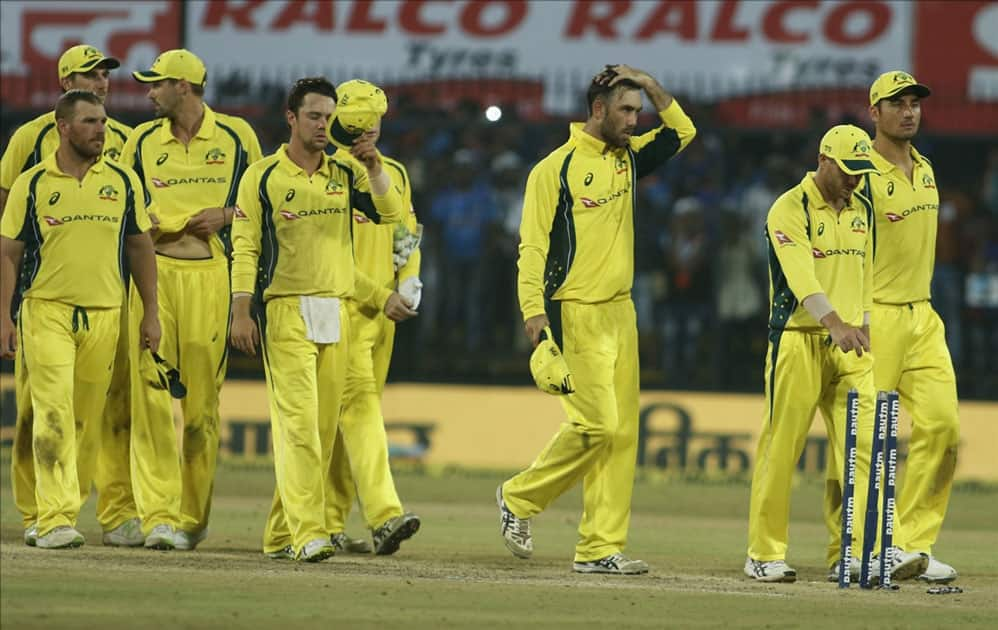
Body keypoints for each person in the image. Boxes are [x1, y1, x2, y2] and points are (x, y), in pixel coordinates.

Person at [497, 64, 696, 574]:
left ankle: (599, 549)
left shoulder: (627, 159)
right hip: (573, 311)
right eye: (626, 110)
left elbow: (682, 132)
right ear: (598, 110)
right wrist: (534, 315)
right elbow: (533, 247)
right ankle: (519, 498)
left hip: (620, 312)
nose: (635, 119)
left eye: (639, 110)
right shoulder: (555, 168)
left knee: (622, 434)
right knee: (597, 425)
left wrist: (651, 83)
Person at [228, 77, 412, 562]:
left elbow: (392, 215)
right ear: (291, 118)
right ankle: (309, 532)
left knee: (323, 432)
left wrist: (372, 166)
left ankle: (277, 534)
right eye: (313, 116)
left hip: (336, 310)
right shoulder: (263, 176)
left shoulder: (344, 173)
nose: (322, 126)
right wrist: (241, 309)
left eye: (329, 118)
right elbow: (244, 246)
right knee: (299, 429)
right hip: (286, 310)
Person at [743, 124, 926, 583]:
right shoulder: (789, 208)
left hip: (850, 346)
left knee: (867, 447)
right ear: (824, 160)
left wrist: (862, 321)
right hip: (798, 341)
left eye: (861, 173)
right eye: (847, 172)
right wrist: (835, 323)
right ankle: (763, 553)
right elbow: (801, 277)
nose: (854, 181)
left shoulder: (862, 206)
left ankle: (870, 551)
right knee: (781, 450)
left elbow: (864, 271)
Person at [0, 90, 160, 549]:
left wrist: (150, 312)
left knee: (85, 421)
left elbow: (139, 246)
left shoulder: (124, 181)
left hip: (106, 313)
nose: (100, 130)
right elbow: (9, 253)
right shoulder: (32, 183)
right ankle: (51, 518)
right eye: (90, 122)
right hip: (46, 309)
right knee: (51, 410)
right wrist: (4, 317)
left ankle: (60, 509)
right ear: (63, 127)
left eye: (104, 122)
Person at [120, 49, 263, 550]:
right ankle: (157, 515)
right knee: (152, 395)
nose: (148, 92)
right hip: (154, 275)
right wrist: (140, 222)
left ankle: (191, 517)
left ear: (184, 86)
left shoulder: (237, 136)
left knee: (202, 407)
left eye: (156, 84)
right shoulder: (140, 140)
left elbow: (263, 198)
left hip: (211, 277)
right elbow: (116, 194)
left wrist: (225, 215)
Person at [823, 71, 960, 584]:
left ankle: (912, 546)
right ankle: (851, 548)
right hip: (873, 314)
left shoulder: (924, 168)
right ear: (873, 112)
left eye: (914, 103)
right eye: (896, 104)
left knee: (943, 428)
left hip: (923, 317)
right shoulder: (860, 173)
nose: (909, 111)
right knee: (864, 441)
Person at [324, 81, 423, 556]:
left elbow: (406, 232)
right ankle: (384, 515)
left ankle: (328, 522)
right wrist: (384, 291)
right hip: (343, 309)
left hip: (385, 314)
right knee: (360, 410)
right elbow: (329, 258)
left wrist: (410, 280)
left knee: (352, 422)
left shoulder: (394, 172)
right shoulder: (325, 172)